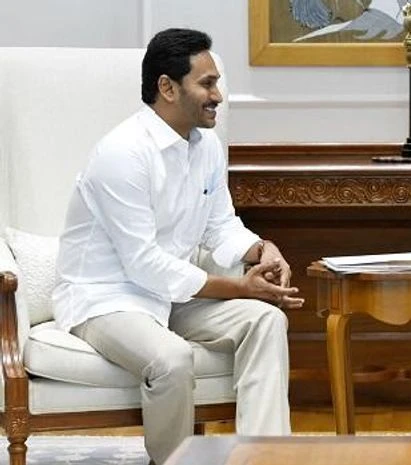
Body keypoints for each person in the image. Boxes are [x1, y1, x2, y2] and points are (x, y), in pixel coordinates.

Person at [51, 28, 305, 465]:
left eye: (217, 83)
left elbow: (220, 226)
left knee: (265, 320)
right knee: (171, 358)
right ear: (167, 88)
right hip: (105, 300)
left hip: (173, 298)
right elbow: (144, 265)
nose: (218, 96)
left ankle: (265, 457)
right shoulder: (122, 154)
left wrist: (263, 249)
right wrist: (239, 288)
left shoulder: (207, 147)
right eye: (207, 84)